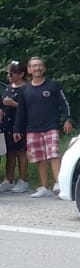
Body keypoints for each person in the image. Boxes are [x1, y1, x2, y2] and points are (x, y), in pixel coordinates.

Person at [19, 56, 72, 197]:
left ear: (44, 68)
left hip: (51, 126)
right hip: (32, 128)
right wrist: (17, 129)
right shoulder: (25, 89)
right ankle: (44, 187)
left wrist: (68, 119)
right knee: (39, 158)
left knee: (53, 154)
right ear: (29, 69)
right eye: (34, 66)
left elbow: (64, 103)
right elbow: (21, 111)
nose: (37, 68)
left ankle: (60, 184)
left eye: (40, 65)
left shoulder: (53, 85)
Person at [2, 62, 29, 192]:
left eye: (11, 73)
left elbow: (30, 108)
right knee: (10, 152)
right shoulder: (8, 87)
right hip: (7, 123)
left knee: (21, 152)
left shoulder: (26, 88)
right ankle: (9, 179)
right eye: (7, 73)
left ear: (21, 74)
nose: (9, 76)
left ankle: (23, 180)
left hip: (21, 124)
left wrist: (14, 104)